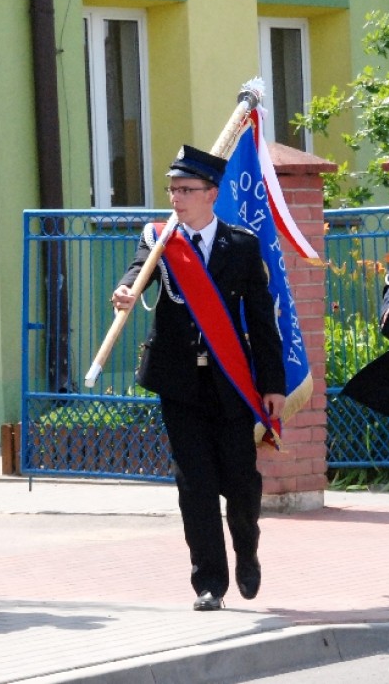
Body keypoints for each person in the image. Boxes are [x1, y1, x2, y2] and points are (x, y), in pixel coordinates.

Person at [112, 145, 286, 611]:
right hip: (179, 383)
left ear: (211, 194)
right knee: (195, 485)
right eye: (172, 190)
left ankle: (246, 550)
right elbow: (138, 272)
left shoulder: (241, 245)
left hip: (229, 382)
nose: (176, 198)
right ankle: (209, 582)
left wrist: (273, 384)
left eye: (186, 190)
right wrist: (125, 290)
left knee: (241, 481)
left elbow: (262, 321)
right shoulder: (160, 239)